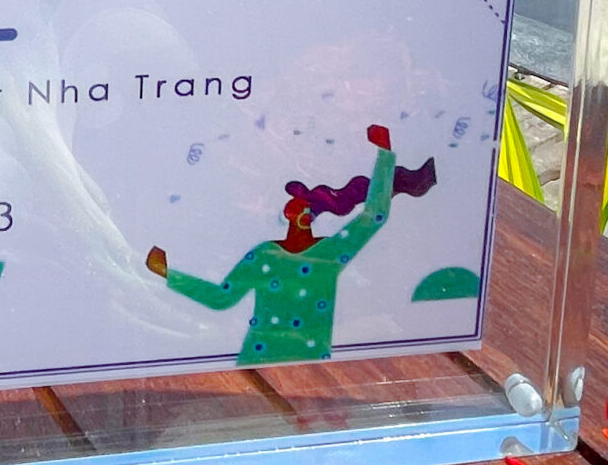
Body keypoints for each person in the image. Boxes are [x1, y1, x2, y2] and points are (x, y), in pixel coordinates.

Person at [145, 126, 436, 364]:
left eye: (303, 208)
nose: (298, 213)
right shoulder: (264, 255)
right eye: (293, 208)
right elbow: (222, 298)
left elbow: (374, 216)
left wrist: (385, 155)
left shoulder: (330, 253)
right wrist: (168, 274)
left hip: (311, 360)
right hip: (257, 355)